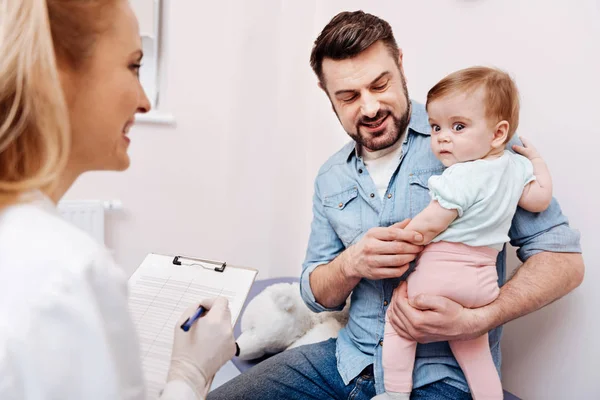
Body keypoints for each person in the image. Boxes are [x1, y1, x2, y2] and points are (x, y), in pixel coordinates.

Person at [208, 10, 583, 400]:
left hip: (442, 376)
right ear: (327, 95)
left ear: (401, 64)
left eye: (380, 84)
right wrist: (351, 263)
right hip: (345, 359)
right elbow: (314, 292)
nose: (369, 108)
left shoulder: (474, 136)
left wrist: (480, 319)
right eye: (349, 97)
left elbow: (565, 261)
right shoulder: (331, 176)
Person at [0, 1, 235, 399]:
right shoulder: (68, 272)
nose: (145, 101)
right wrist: (190, 373)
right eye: (133, 65)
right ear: (54, 76)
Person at [374, 67, 552, 400]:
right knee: (474, 352)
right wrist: (537, 160)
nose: (442, 137)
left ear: (498, 134)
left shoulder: (459, 176)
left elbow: (428, 226)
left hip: (441, 276)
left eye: (458, 127)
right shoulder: (516, 168)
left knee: (398, 327)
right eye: (435, 127)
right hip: (484, 284)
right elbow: (539, 199)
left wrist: (401, 239)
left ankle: (395, 393)